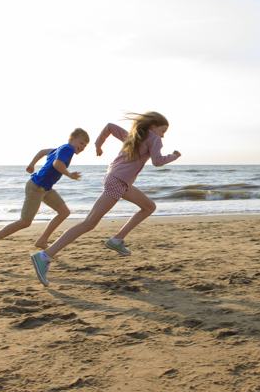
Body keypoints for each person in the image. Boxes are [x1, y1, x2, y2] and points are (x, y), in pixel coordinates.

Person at [30, 112, 180, 287]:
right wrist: (174, 156)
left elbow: (109, 127)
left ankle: (117, 239)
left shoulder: (133, 137)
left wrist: (98, 145)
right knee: (88, 224)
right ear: (153, 127)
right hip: (119, 181)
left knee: (149, 206)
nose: (163, 136)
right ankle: (44, 256)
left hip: (116, 179)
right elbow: (157, 161)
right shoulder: (154, 139)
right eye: (163, 131)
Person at [0, 128, 89, 261]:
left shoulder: (60, 148)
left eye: (85, 145)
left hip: (46, 188)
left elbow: (42, 152)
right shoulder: (68, 149)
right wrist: (70, 175)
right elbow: (57, 164)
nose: (82, 147)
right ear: (72, 139)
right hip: (37, 186)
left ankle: (42, 241)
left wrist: (31, 165)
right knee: (24, 222)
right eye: (81, 143)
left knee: (64, 212)